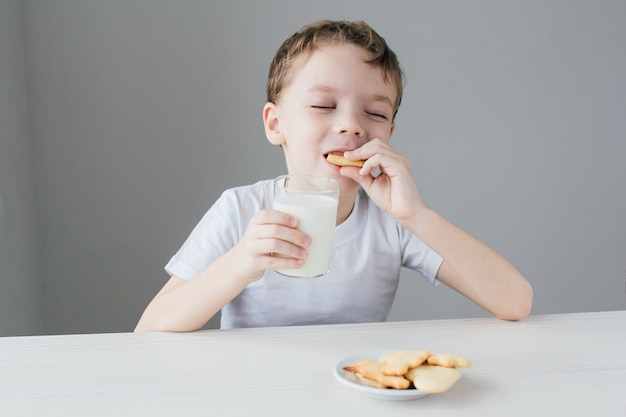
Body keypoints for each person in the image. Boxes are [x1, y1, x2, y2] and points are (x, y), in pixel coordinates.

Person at [135, 20, 533, 332]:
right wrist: (241, 262)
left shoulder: (392, 220)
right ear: (276, 125)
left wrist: (416, 215)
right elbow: (150, 329)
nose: (351, 125)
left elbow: (515, 302)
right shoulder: (240, 209)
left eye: (375, 113)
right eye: (324, 105)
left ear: (389, 134)